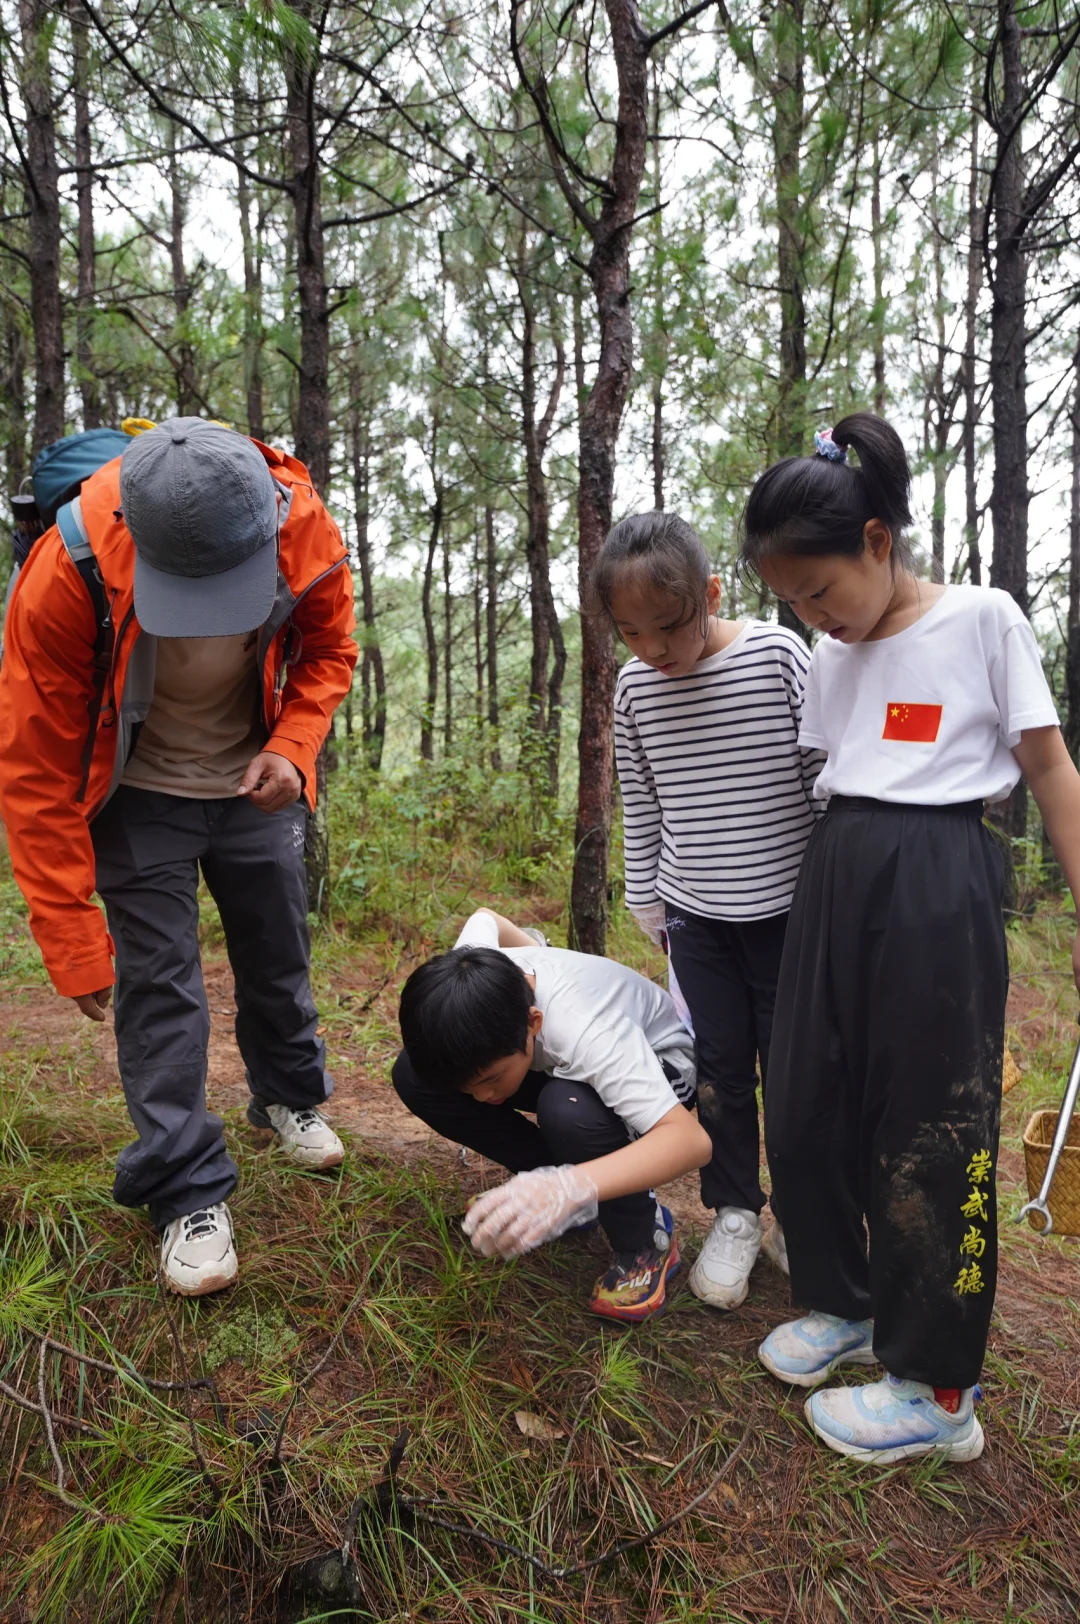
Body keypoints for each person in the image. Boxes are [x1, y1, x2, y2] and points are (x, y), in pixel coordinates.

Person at [740, 412, 1080, 1464]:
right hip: (838, 873)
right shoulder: (829, 650)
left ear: (878, 542)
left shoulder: (982, 619)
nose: (813, 617)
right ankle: (844, 1303)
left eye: (822, 591)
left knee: (935, 1129)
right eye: (790, 600)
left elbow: (1050, 767)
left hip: (940, 880)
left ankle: (939, 1389)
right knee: (806, 1102)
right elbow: (829, 777)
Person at [0, 419, 358, 1297]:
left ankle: (287, 1094)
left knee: (278, 953)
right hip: (135, 793)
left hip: (253, 778)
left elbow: (328, 653)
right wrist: (71, 936)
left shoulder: (300, 526)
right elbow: (34, 765)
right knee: (159, 988)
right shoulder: (64, 572)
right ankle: (186, 1192)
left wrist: (295, 744)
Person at [591, 511, 822, 1310]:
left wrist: (834, 899)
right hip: (697, 920)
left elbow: (822, 778)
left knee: (797, 1073)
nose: (654, 649)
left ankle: (801, 1212)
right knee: (720, 1070)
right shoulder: (635, 687)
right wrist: (647, 901)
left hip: (792, 916)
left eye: (669, 625)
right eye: (631, 632)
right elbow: (643, 798)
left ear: (712, 594)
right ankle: (733, 1210)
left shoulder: (776, 655)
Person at [392, 907, 712, 1322]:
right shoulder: (472, 970)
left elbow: (689, 1142)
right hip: (550, 1058)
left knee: (567, 1110)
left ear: (534, 1020)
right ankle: (556, 1196)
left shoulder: (588, 1030)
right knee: (414, 1075)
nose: (481, 1097)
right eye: (470, 1088)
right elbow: (486, 916)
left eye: (489, 1079)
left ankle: (643, 1238)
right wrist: (539, 952)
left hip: (661, 1062)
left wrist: (569, 1185)